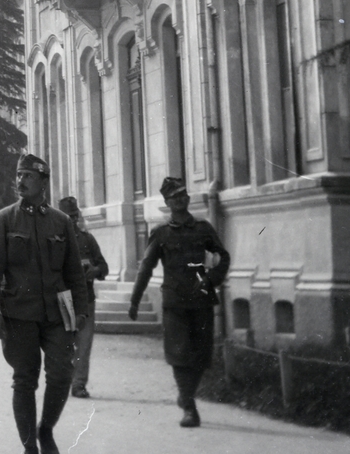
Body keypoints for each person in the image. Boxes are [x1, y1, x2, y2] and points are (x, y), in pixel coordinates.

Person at [0, 154, 90, 454]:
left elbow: (73, 273)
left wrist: (80, 310)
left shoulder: (61, 221)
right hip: (18, 313)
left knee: (61, 374)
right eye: (18, 174)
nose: (20, 181)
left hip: (58, 313)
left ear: (44, 181)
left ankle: (46, 429)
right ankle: (30, 446)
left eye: (28, 176)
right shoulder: (4, 219)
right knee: (25, 379)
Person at [129, 177, 231, 428]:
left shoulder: (203, 229)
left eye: (183, 195)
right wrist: (135, 300)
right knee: (179, 354)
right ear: (167, 202)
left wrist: (211, 280)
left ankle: (185, 394)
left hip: (201, 299)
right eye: (175, 197)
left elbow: (223, 257)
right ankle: (189, 406)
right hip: (174, 302)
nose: (180, 200)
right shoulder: (161, 233)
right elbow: (146, 268)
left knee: (202, 356)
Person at [57, 197, 108, 399]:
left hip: (86, 300)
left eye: (75, 216)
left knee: (84, 345)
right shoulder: (53, 242)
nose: (73, 220)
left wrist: (93, 271)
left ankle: (78, 384)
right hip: (65, 300)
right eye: (68, 217)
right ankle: (64, 380)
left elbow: (104, 267)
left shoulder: (88, 240)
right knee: (66, 344)